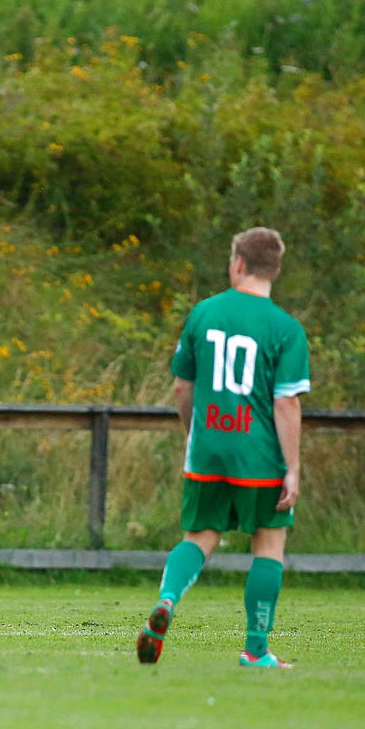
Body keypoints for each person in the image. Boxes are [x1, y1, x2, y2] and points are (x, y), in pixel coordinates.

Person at [135, 227, 309, 670]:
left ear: (237, 263)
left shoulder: (204, 313)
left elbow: (181, 386)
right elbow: (286, 401)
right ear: (276, 269)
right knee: (268, 544)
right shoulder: (286, 329)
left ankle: (168, 601)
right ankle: (256, 649)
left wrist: (196, 434)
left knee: (199, 536)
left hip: (208, 447)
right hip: (260, 455)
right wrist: (292, 467)